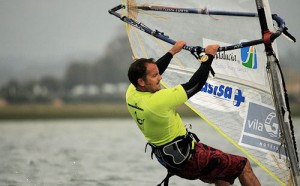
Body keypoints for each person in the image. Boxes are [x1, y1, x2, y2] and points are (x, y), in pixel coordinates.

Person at [125, 40, 261, 186]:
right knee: (243, 165)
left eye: (158, 73)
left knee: (222, 173)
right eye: (155, 76)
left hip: (171, 159)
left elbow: (153, 70)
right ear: (141, 82)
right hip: (189, 159)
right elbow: (195, 85)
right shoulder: (158, 101)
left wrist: (173, 51)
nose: (160, 77)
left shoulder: (131, 93)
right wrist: (208, 56)